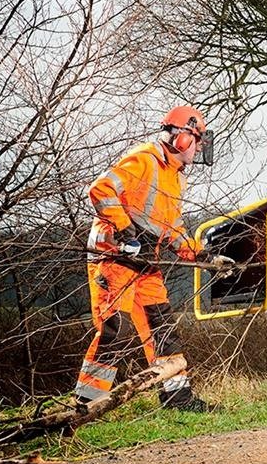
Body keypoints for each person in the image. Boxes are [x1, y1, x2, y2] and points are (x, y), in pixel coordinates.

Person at [73, 106, 230, 412]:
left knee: (163, 327)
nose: (199, 148)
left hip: (145, 263)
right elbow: (100, 190)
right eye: (197, 141)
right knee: (114, 330)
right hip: (114, 257)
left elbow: (171, 230)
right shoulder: (144, 159)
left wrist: (202, 254)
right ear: (183, 139)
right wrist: (126, 230)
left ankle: (177, 396)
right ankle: (84, 405)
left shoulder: (176, 178)